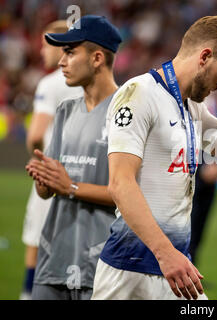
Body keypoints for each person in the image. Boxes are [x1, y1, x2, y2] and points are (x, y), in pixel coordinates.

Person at [91, 15, 217, 300]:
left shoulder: (192, 109)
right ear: (205, 56)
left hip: (174, 269)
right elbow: (121, 184)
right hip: (130, 271)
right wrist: (166, 253)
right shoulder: (139, 94)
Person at [25, 15, 122, 300]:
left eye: (69, 52)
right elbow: (47, 193)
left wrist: (71, 187)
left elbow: (134, 195)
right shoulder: (66, 111)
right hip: (53, 260)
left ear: (97, 58)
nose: (60, 61)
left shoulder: (127, 112)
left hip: (103, 266)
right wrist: (44, 180)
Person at [20, 20, 83, 300]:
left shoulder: (51, 83)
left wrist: (37, 158)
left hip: (51, 173)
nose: (41, 50)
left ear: (60, 47)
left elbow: (35, 134)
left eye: (46, 44)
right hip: (83, 176)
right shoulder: (89, 80)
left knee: (36, 241)